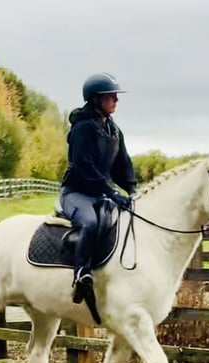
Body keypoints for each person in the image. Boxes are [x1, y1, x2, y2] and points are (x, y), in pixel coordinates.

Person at [59, 73, 137, 303]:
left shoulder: (113, 130)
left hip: (99, 193)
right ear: (95, 99)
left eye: (115, 96)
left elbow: (123, 164)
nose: (116, 100)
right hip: (77, 193)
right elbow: (84, 166)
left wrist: (132, 189)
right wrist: (112, 192)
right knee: (90, 223)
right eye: (110, 96)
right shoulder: (82, 129)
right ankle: (81, 274)